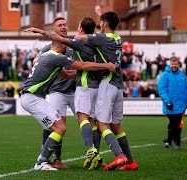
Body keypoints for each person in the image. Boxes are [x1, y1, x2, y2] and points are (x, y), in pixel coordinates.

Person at [20, 41, 116, 171]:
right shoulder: (56, 57)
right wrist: (105, 66)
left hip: (32, 97)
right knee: (59, 127)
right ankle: (41, 162)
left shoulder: (45, 55)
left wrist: (86, 73)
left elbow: (66, 75)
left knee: (55, 127)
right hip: (32, 98)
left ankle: (45, 159)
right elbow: (82, 65)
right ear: (62, 46)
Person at [75, 11, 139, 171]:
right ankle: (130, 161)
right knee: (116, 126)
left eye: (101, 22)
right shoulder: (118, 38)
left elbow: (80, 37)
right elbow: (105, 29)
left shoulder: (101, 38)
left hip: (107, 84)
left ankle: (119, 156)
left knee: (102, 124)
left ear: (104, 23)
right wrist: (100, 14)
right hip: (119, 86)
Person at [33, 17, 75, 169]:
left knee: (90, 122)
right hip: (57, 92)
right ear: (54, 29)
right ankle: (55, 158)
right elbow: (35, 61)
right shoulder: (48, 48)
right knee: (57, 124)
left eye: (65, 24)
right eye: (60, 25)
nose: (63, 27)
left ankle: (94, 156)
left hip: (76, 91)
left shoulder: (73, 45)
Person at [158, 57, 187, 149]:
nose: (174, 65)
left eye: (176, 63)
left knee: (177, 124)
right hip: (170, 105)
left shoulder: (182, 75)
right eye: (173, 63)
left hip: (181, 105)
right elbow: (162, 89)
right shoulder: (165, 75)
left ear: (178, 64)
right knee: (174, 123)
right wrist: (167, 101)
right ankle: (175, 141)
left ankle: (171, 141)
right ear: (170, 64)